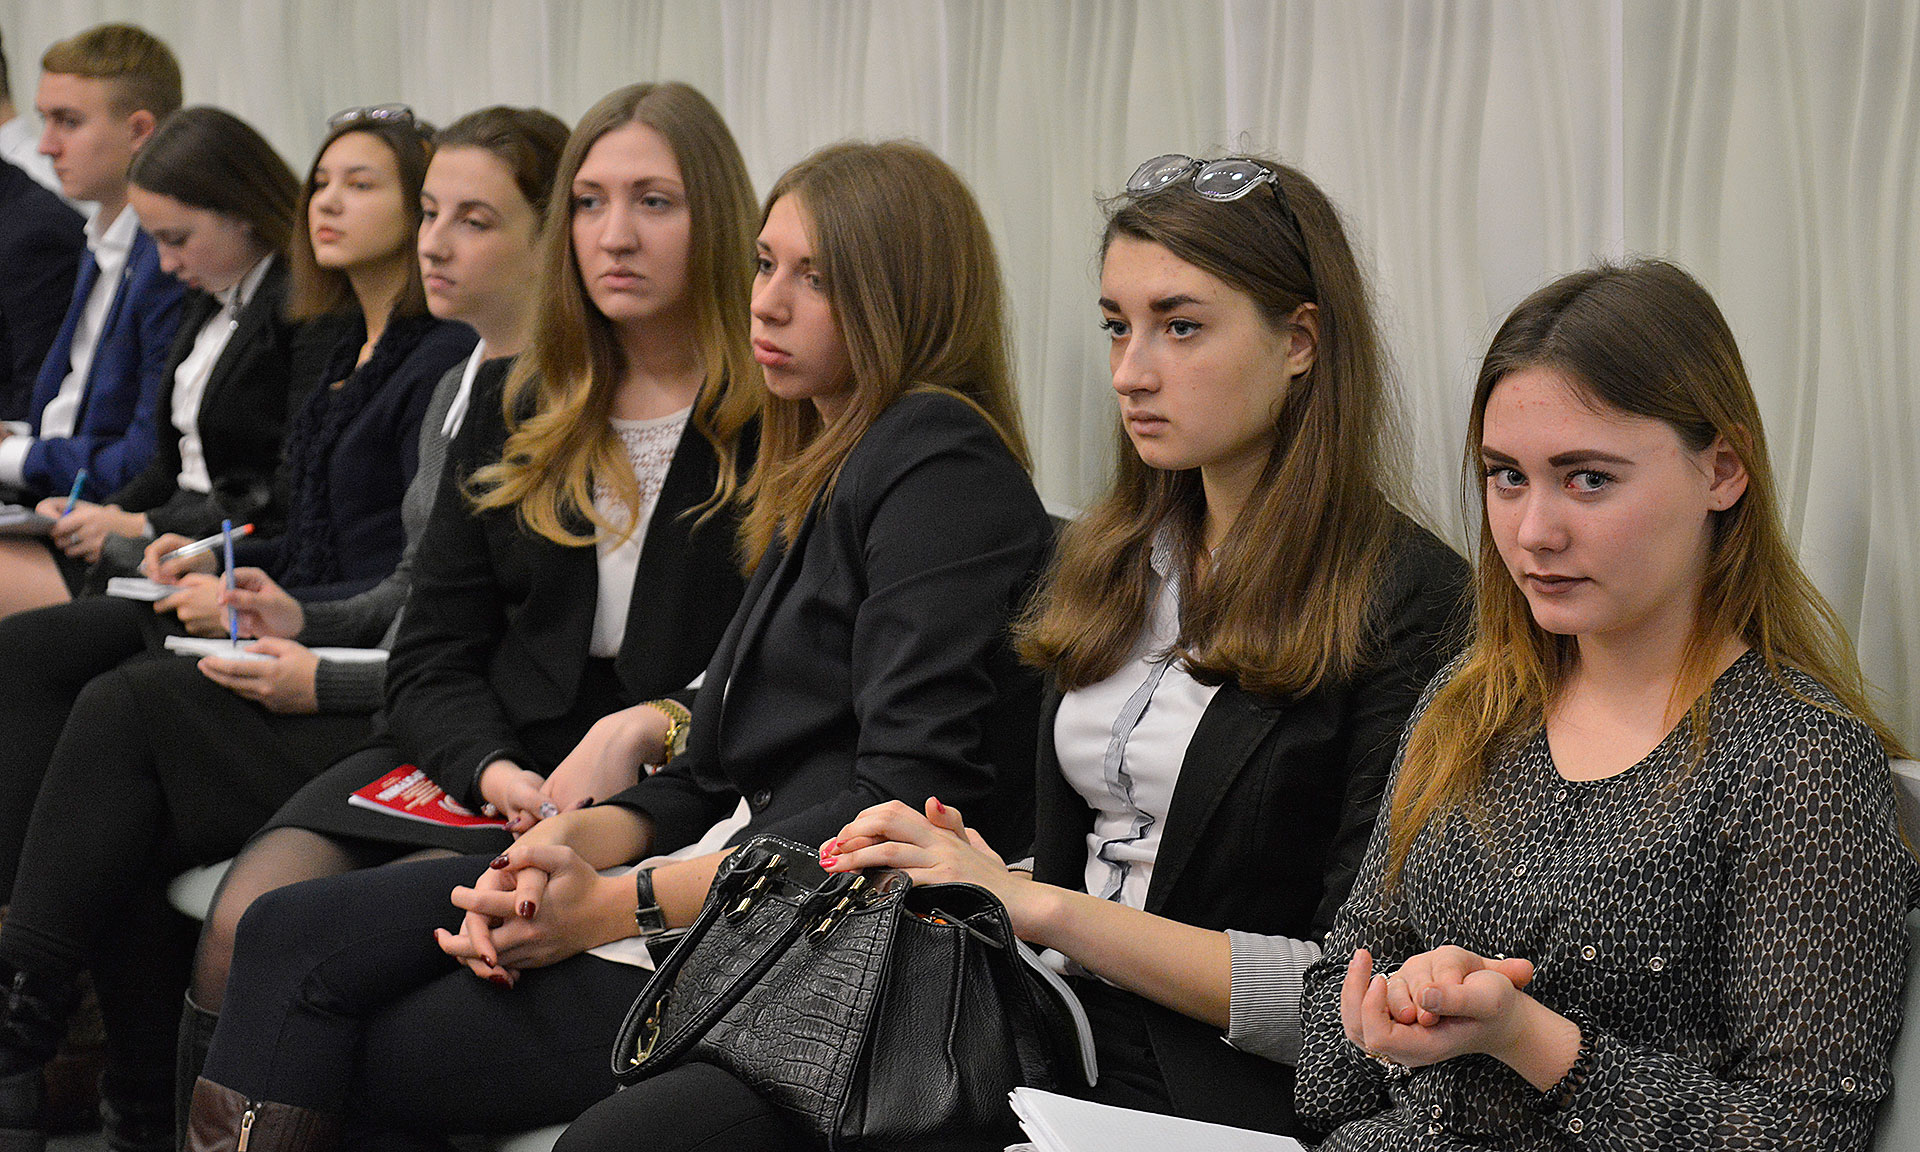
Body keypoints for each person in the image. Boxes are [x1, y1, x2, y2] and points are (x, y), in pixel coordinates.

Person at [186, 137, 1052, 1152]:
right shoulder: (829, 451)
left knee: (359, 1035)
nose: (769, 304)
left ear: (907, 296)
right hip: (715, 877)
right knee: (287, 930)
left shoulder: (938, 461)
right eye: (766, 265)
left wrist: (611, 905)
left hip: (808, 934)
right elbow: (715, 764)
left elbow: (895, 805)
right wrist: (564, 848)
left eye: (816, 278)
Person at [638, 153, 1472, 1147]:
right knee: (640, 1130)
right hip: (1037, 1014)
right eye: (1118, 325)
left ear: (1300, 341)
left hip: (1205, 1077)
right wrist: (976, 866)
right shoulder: (1111, 558)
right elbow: (1075, 857)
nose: (1131, 371)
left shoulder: (1409, 601)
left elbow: (1353, 993)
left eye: (1180, 327)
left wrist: (1038, 905)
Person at [0, 105, 564, 1152]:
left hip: (448, 726)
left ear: (546, 236)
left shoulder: (512, 387)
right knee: (105, 735)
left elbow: (475, 645)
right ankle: (91, 1076)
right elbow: (409, 590)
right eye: (431, 212)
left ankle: (33, 1036)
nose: (436, 240)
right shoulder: (451, 373)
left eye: (470, 218)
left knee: (126, 714)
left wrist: (317, 662)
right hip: (396, 684)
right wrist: (290, 609)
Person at [1294, 259, 1920, 1150]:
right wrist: (1391, 1010)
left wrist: (1526, 1039)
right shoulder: (1468, 707)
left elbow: (1800, 1135)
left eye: (1588, 478)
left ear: (1723, 471)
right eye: (1506, 477)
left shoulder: (1798, 761)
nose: (1534, 532)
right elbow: (1327, 1059)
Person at [0, 104, 473, 914]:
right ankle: (35, 945)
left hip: (355, 651)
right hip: (294, 602)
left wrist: (222, 570)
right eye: (321, 182)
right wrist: (210, 560)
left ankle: (29, 954)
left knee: (115, 695)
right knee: (62, 666)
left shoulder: (438, 358)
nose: (326, 202)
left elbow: (400, 582)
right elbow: (280, 514)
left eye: (361, 185)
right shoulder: (342, 341)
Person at [0, 106, 309, 617]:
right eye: (156, 241)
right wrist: (106, 513)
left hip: (215, 553)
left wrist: (140, 524)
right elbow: (168, 462)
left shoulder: (297, 310)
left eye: (177, 239)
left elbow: (268, 490)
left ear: (243, 212)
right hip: (169, 537)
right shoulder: (210, 295)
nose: (165, 262)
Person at [8, 24, 187, 502]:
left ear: (139, 131)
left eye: (68, 122)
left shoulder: (169, 262)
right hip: (50, 491)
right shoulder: (101, 240)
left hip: (100, 510)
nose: (46, 146)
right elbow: (66, 413)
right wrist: (15, 439)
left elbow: (144, 460)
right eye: (45, 121)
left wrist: (13, 456)